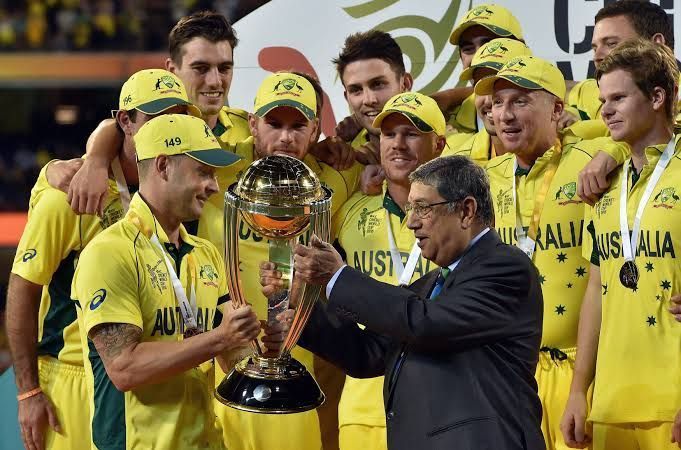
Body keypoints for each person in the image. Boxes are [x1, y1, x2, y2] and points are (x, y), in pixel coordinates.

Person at [262, 155, 545, 450]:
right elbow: (367, 353)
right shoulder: (432, 283)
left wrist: (339, 277)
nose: (411, 222)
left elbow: (425, 323)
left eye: (422, 208)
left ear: (466, 211)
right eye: (411, 208)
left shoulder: (504, 267)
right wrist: (301, 303)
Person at [5, 68, 197, 450]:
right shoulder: (69, 195)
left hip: (145, 373)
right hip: (72, 377)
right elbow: (22, 290)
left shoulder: (173, 194)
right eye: (157, 119)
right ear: (125, 121)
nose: (167, 132)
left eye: (177, 118)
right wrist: (28, 392)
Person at [71, 114, 262, 450]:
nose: (214, 186)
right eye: (203, 172)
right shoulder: (110, 252)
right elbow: (124, 369)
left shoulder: (205, 253)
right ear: (163, 166)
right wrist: (220, 337)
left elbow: (235, 355)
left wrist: (267, 347)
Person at [474, 54, 629, 450]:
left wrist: (615, 151)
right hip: (508, 375)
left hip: (583, 374)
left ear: (558, 109)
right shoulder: (482, 183)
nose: (504, 115)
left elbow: (659, 134)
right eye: (497, 103)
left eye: (520, 101)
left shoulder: (593, 164)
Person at [214, 71, 362, 450]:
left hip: (294, 373)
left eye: (298, 126)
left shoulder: (336, 180)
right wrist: (97, 153)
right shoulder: (216, 166)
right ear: (252, 124)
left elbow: (397, 147)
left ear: (315, 131)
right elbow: (142, 134)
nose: (285, 137)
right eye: (274, 124)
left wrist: (347, 144)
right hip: (218, 367)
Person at [561, 39, 681, 450]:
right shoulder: (603, 185)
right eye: (601, 100)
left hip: (672, 399)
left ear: (657, 98)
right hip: (610, 403)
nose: (605, 110)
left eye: (618, 97)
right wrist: (579, 389)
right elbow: (596, 290)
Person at [46, 11, 250, 216]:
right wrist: (87, 163)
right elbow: (115, 128)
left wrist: (95, 160)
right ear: (172, 70)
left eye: (224, 68)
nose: (215, 81)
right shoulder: (140, 135)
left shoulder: (251, 130)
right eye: (200, 68)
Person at [329, 91, 445, 450]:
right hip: (363, 406)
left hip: (438, 400)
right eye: (388, 135)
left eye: (411, 134)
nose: (398, 144)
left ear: (439, 144)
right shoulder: (347, 212)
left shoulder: (459, 218)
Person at [570, 0, 675, 203]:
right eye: (594, 47)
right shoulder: (587, 91)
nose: (598, 56)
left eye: (611, 44)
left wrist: (614, 148)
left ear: (656, 44)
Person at [441, 37, 532, 163]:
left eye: (504, 88)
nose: (489, 101)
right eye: (481, 86)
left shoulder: (566, 151)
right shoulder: (454, 165)